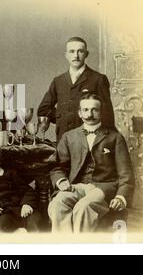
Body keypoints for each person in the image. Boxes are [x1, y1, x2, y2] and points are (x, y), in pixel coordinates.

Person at [47, 93, 134, 233]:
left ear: (101, 112)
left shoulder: (114, 138)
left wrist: (121, 196)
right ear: (80, 113)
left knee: (84, 207)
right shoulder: (69, 136)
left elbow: (126, 173)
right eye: (86, 110)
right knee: (58, 203)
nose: (90, 114)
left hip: (103, 187)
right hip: (75, 186)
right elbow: (57, 167)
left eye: (95, 109)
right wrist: (61, 180)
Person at [37, 36, 115, 142]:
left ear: (86, 54)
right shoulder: (58, 81)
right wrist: (62, 117)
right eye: (72, 51)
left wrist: (107, 141)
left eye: (80, 51)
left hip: (89, 138)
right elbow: (44, 109)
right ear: (66, 55)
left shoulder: (98, 79)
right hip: (63, 138)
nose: (76, 56)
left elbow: (107, 114)